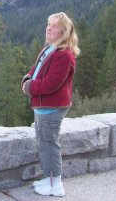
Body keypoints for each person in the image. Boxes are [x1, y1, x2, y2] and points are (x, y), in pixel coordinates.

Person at [21, 12, 80, 197]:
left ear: (63, 31)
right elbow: (37, 67)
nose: (48, 28)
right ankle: (49, 179)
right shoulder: (51, 48)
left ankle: (56, 185)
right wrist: (28, 77)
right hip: (44, 107)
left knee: (49, 144)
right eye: (48, 24)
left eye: (53, 26)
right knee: (44, 143)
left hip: (52, 108)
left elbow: (51, 83)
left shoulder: (64, 55)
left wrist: (29, 87)